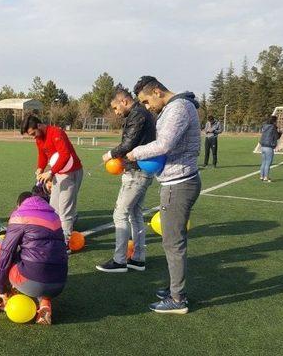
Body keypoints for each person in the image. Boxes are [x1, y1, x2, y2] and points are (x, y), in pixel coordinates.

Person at [126, 76, 201, 315]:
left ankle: (178, 299)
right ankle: (174, 289)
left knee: (173, 243)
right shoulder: (177, 107)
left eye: (147, 101)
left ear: (157, 91)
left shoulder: (178, 107)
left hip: (179, 184)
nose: (147, 107)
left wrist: (135, 152)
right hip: (176, 181)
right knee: (172, 241)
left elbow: (164, 144)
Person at [96, 88, 156, 273]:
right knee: (135, 214)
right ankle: (138, 259)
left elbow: (128, 143)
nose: (116, 112)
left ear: (124, 101)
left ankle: (119, 260)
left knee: (120, 214)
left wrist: (110, 154)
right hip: (142, 171)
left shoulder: (138, 114)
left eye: (115, 107)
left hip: (136, 172)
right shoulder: (142, 113)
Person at [0, 191, 68, 325]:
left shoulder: (20, 215)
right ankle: (45, 303)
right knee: (42, 262)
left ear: (19, 205)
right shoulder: (54, 216)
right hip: (58, 283)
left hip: (30, 281)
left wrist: (1, 290)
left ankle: (10, 295)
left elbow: (5, 254)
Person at [21, 115, 83, 241]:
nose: (33, 137)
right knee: (53, 208)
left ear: (39, 126)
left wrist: (50, 172)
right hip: (58, 173)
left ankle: (65, 242)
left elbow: (65, 155)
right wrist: (40, 169)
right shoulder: (39, 138)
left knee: (65, 210)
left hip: (71, 172)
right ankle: (55, 235)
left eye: (33, 133)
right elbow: (42, 155)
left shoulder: (56, 132)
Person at [259, 116, 282, 182]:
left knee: (263, 162)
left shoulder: (264, 126)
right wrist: (280, 133)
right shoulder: (273, 127)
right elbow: (276, 137)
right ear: (274, 121)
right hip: (269, 147)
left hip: (263, 146)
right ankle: (266, 177)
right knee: (268, 163)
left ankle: (261, 176)